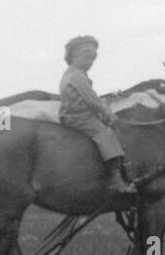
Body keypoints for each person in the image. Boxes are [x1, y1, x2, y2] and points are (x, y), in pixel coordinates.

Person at [58, 35, 137, 195]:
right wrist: (109, 115)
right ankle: (115, 180)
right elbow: (92, 100)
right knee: (106, 135)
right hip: (79, 118)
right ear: (73, 57)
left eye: (92, 59)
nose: (90, 62)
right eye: (86, 57)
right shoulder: (77, 76)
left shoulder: (70, 74)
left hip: (75, 115)